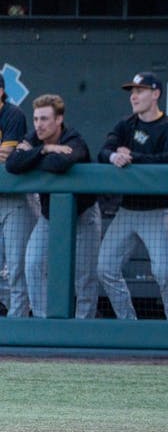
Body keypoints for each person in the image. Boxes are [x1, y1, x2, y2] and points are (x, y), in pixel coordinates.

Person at [96, 72, 168, 321]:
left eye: (140, 90)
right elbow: (104, 150)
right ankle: (128, 323)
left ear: (155, 94)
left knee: (165, 273)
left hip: (158, 211)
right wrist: (115, 156)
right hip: (128, 210)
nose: (134, 96)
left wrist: (133, 156)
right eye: (132, 91)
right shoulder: (126, 124)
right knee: (105, 268)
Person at [6, 94, 100, 319]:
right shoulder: (35, 138)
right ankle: (43, 321)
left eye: (45, 119)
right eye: (36, 119)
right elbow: (12, 164)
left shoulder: (74, 138)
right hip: (49, 217)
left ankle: (82, 330)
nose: (39, 124)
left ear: (59, 120)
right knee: (33, 264)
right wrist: (45, 150)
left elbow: (60, 164)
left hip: (83, 215)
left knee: (84, 277)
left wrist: (34, 156)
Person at [0, 74, 38, 317]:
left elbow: (7, 158)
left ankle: (19, 321)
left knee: (17, 267)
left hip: (16, 200)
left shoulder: (12, 114)